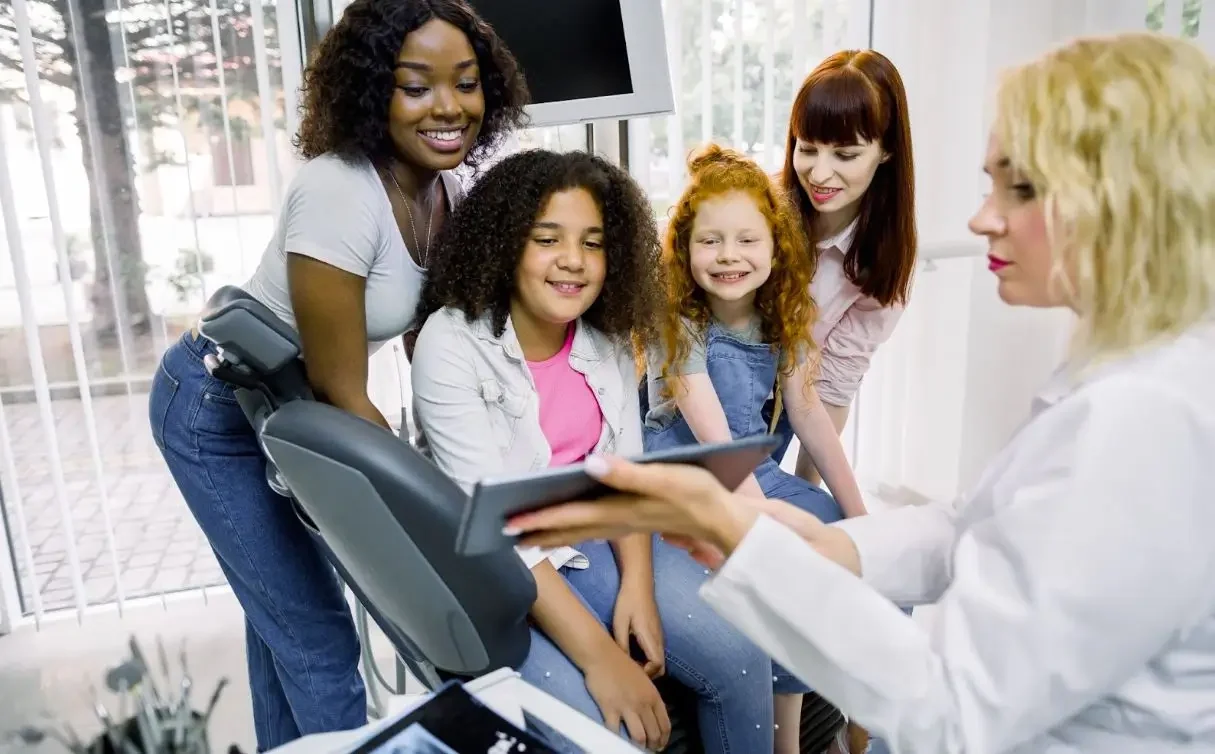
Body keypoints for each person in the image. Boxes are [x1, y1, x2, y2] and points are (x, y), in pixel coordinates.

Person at [505, 31, 1215, 753]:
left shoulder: (1141, 423)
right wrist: (836, 543)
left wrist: (739, 535)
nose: (979, 219)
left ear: (1126, 204)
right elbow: (977, 526)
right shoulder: (1124, 373)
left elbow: (950, 712)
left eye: (1021, 188)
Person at [147, 1, 528, 749]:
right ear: (368, 91)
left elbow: (435, 348)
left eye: (466, 82)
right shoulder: (339, 188)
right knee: (319, 638)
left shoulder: (444, 194)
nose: (449, 107)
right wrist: (433, 510)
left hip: (291, 410)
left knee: (280, 625)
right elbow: (343, 392)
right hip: (218, 412)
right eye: (416, 86)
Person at [410, 149, 793, 754]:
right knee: (600, 735)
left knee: (744, 656)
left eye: (593, 243)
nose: (574, 262)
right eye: (548, 239)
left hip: (594, 532)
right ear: (506, 243)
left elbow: (625, 473)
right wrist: (601, 658)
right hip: (500, 565)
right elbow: (504, 532)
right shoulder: (451, 345)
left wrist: (638, 586)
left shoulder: (608, 334)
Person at [643, 144, 871, 752]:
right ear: (685, 249)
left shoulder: (785, 315)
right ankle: (787, 742)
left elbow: (809, 414)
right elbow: (714, 442)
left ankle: (836, 721)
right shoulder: (679, 322)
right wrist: (766, 529)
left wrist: (859, 516)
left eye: (747, 240)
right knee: (782, 576)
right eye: (710, 241)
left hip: (755, 476)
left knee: (866, 560)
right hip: (687, 483)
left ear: (776, 247)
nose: (729, 257)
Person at [778, 50, 917, 487]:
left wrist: (808, 494)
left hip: (775, 415)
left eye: (846, 154)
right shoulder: (757, 215)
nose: (820, 173)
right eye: (808, 149)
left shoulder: (883, 263)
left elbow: (833, 388)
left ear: (887, 150)